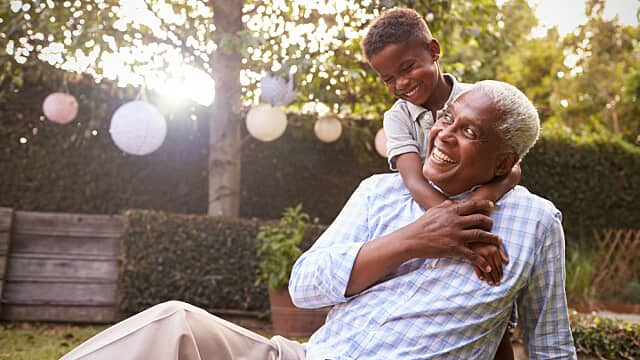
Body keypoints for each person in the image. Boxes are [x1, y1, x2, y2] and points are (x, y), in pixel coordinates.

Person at [60, 81, 576, 360]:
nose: (444, 135)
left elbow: (551, 346)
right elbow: (305, 286)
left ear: (506, 162)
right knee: (174, 324)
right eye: (446, 119)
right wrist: (411, 240)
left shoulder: (535, 222)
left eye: (471, 133)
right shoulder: (380, 193)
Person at [362, 9, 518, 357]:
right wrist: (458, 226)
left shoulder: (479, 99)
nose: (400, 84)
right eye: (387, 78)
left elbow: (513, 168)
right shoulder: (397, 117)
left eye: (406, 68)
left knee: (490, 311)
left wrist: (481, 205)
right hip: (429, 218)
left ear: (434, 51)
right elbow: (412, 179)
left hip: (481, 215)